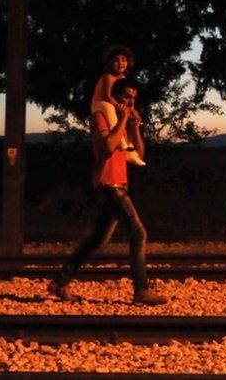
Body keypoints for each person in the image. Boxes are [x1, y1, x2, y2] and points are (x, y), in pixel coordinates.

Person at [48, 77, 168, 306]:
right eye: (126, 97)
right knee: (139, 233)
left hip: (119, 184)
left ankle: (59, 282)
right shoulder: (101, 116)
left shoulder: (122, 121)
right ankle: (141, 290)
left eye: (133, 99)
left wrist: (134, 127)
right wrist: (123, 119)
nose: (130, 103)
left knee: (97, 239)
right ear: (115, 97)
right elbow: (108, 146)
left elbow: (139, 154)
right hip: (108, 184)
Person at [90, 45, 146, 166]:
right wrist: (122, 108)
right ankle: (124, 146)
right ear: (110, 63)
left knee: (129, 119)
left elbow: (131, 101)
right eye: (116, 60)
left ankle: (130, 147)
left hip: (111, 104)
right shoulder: (108, 77)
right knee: (110, 109)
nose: (121, 63)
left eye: (124, 60)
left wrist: (133, 111)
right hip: (100, 104)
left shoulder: (123, 79)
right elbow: (107, 96)